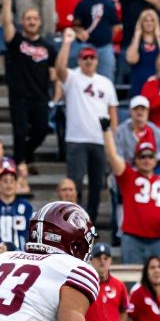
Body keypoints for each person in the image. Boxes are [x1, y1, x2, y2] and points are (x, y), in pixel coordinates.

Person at [55, 27, 118, 223]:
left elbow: (113, 112)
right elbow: (58, 70)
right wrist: (66, 43)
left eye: (92, 58)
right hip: (76, 139)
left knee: (97, 185)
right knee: (75, 184)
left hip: (99, 140)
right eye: (85, 58)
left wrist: (112, 143)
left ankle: (90, 222)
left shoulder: (106, 83)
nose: (89, 61)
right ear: (79, 60)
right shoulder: (73, 77)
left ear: (97, 61)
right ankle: (73, 221)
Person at [102, 125, 160, 264]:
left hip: (158, 238)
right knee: (133, 280)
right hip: (133, 239)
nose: (146, 159)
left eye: (150, 156)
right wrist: (106, 131)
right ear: (136, 160)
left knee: (157, 282)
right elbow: (112, 156)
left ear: (155, 160)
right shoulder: (128, 176)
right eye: (142, 156)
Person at [0, 0, 56, 174]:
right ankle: (20, 163)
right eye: (28, 18)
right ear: (23, 21)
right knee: (20, 131)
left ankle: (26, 156)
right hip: (20, 95)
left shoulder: (48, 47)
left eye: (35, 18)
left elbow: (55, 74)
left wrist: (55, 96)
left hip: (40, 95)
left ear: (40, 22)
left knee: (41, 130)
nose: (31, 21)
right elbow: (6, 23)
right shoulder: (17, 42)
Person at [0, 162, 33, 250]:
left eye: (11, 181)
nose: (8, 185)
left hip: (19, 255)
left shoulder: (26, 207)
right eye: (5, 181)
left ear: (16, 184)